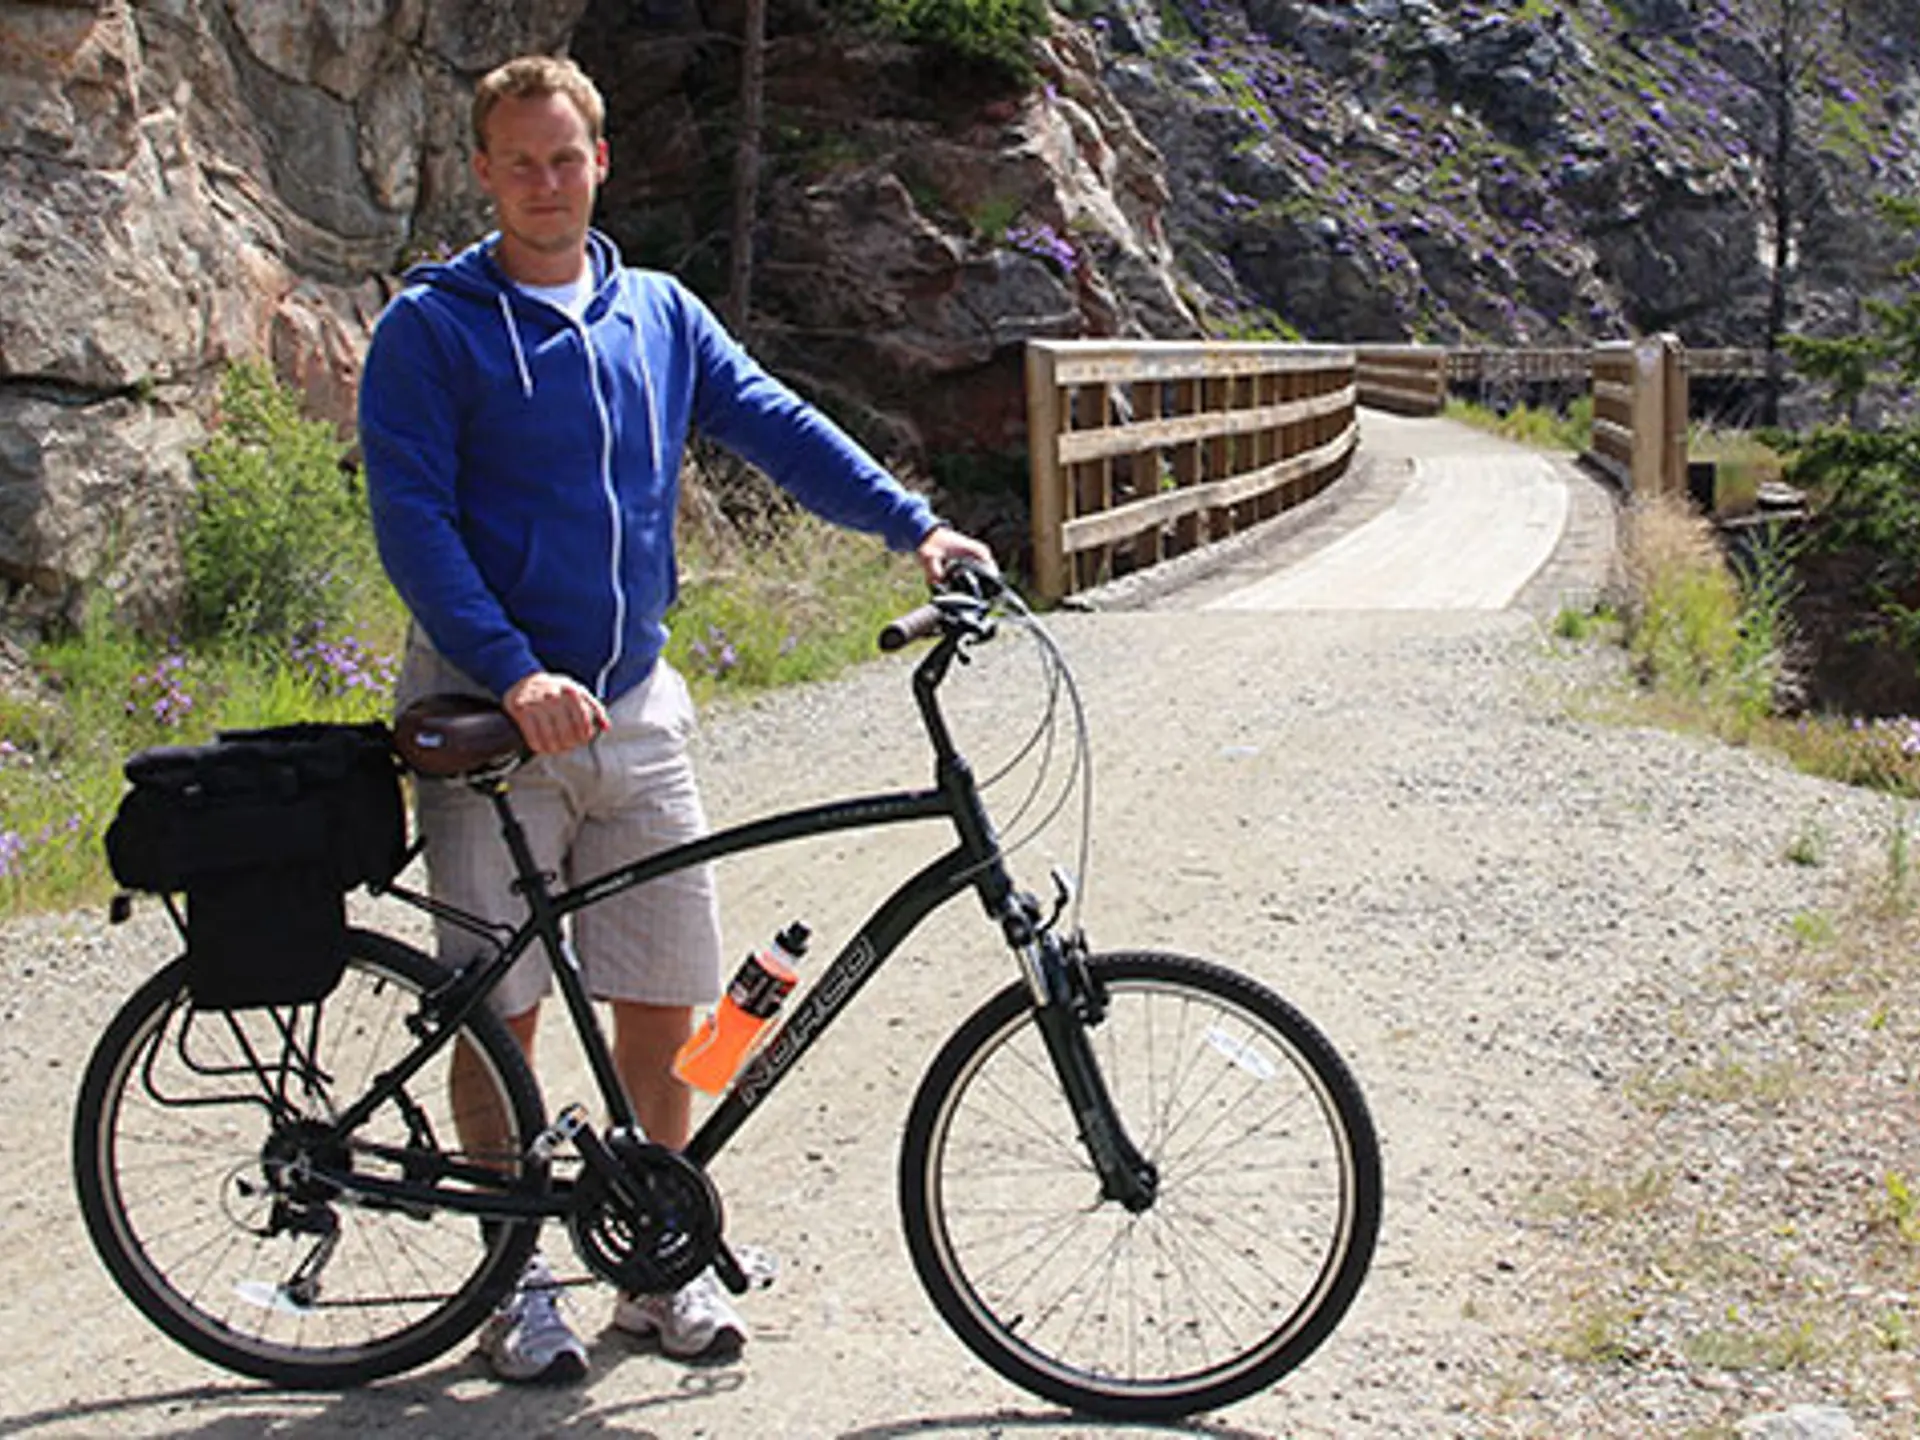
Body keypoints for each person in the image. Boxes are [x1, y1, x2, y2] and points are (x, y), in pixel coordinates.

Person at [357, 53, 993, 1385]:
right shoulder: (435, 326)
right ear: (483, 171)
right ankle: (517, 1270)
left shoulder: (655, 312)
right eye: (519, 160)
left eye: (567, 156)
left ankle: (656, 1256)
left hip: (634, 705)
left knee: (668, 994)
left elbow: (774, 421)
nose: (545, 182)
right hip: (490, 719)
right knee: (504, 1010)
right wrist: (511, 670)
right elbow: (411, 521)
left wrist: (916, 527)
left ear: (602, 161)